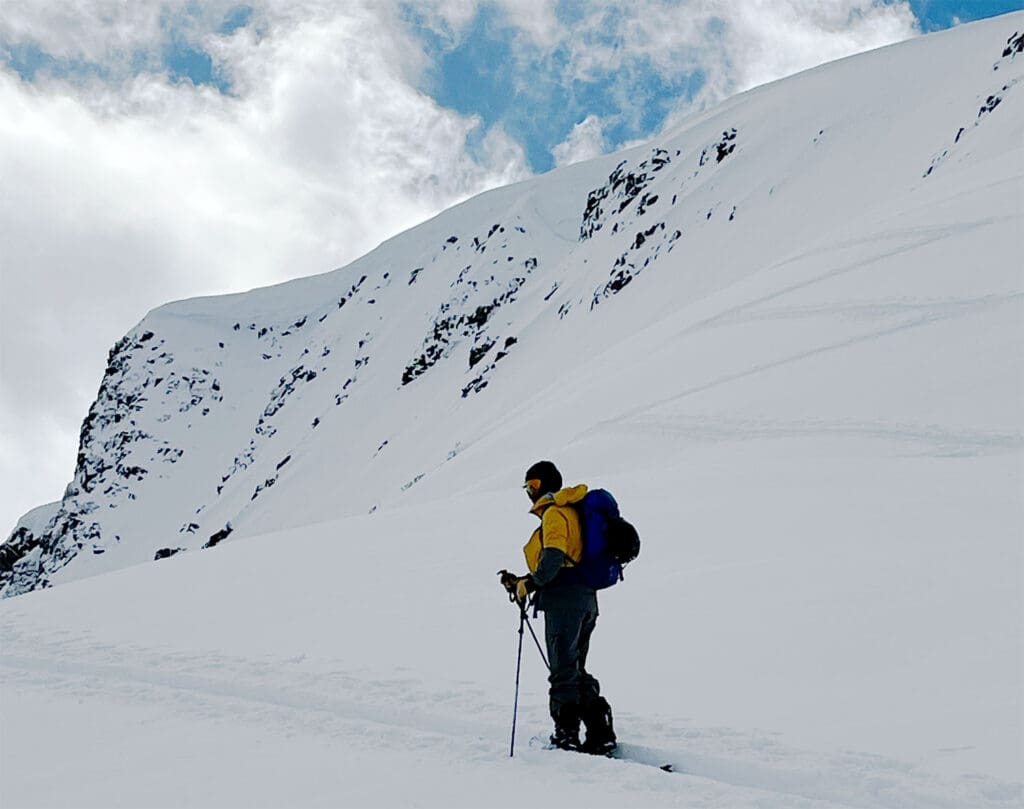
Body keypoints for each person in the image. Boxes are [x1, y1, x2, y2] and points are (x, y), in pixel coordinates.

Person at [500, 460, 616, 754]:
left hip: (563, 602)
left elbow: (554, 556)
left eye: (533, 486)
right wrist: (526, 581)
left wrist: (533, 582)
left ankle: (566, 737)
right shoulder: (572, 510)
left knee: (563, 672)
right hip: (586, 598)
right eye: (527, 487)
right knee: (575, 668)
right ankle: (599, 730)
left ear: (545, 485)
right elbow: (566, 559)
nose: (530, 492)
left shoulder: (554, 513)